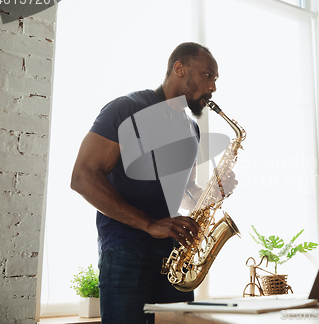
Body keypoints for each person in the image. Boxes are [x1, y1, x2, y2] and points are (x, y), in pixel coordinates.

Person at [71, 42, 237, 324]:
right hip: (126, 248)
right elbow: (83, 177)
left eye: (215, 79)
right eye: (208, 75)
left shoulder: (191, 128)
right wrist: (149, 223)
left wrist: (214, 191)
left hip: (173, 253)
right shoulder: (127, 109)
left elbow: (185, 192)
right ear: (179, 68)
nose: (213, 87)